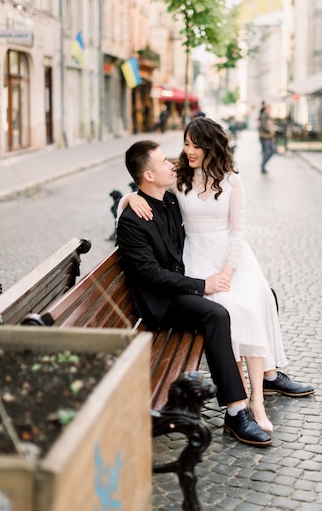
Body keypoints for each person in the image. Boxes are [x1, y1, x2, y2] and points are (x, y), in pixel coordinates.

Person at [119, 118, 314, 432]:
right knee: (228, 310)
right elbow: (144, 186)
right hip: (196, 260)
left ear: (211, 146)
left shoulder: (230, 180)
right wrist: (127, 198)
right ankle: (242, 401)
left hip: (228, 256)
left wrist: (227, 269)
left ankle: (261, 392)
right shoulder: (178, 179)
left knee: (260, 297)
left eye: (195, 145)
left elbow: (237, 233)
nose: (187, 151)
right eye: (186, 144)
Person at [116, 139, 272, 447]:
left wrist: (127, 196)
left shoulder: (170, 200)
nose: (171, 164)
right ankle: (236, 411)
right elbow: (149, 274)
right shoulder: (133, 221)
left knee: (231, 307)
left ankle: (244, 402)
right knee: (216, 314)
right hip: (158, 304)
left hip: (177, 288)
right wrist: (202, 286)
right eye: (163, 162)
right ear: (148, 175)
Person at [258, 104, 276, 174]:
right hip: (265, 137)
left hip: (270, 137)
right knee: (266, 152)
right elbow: (263, 126)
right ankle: (263, 166)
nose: (270, 110)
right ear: (266, 109)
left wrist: (272, 135)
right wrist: (269, 131)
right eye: (269, 109)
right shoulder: (264, 116)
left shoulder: (269, 116)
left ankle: (263, 165)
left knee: (272, 150)